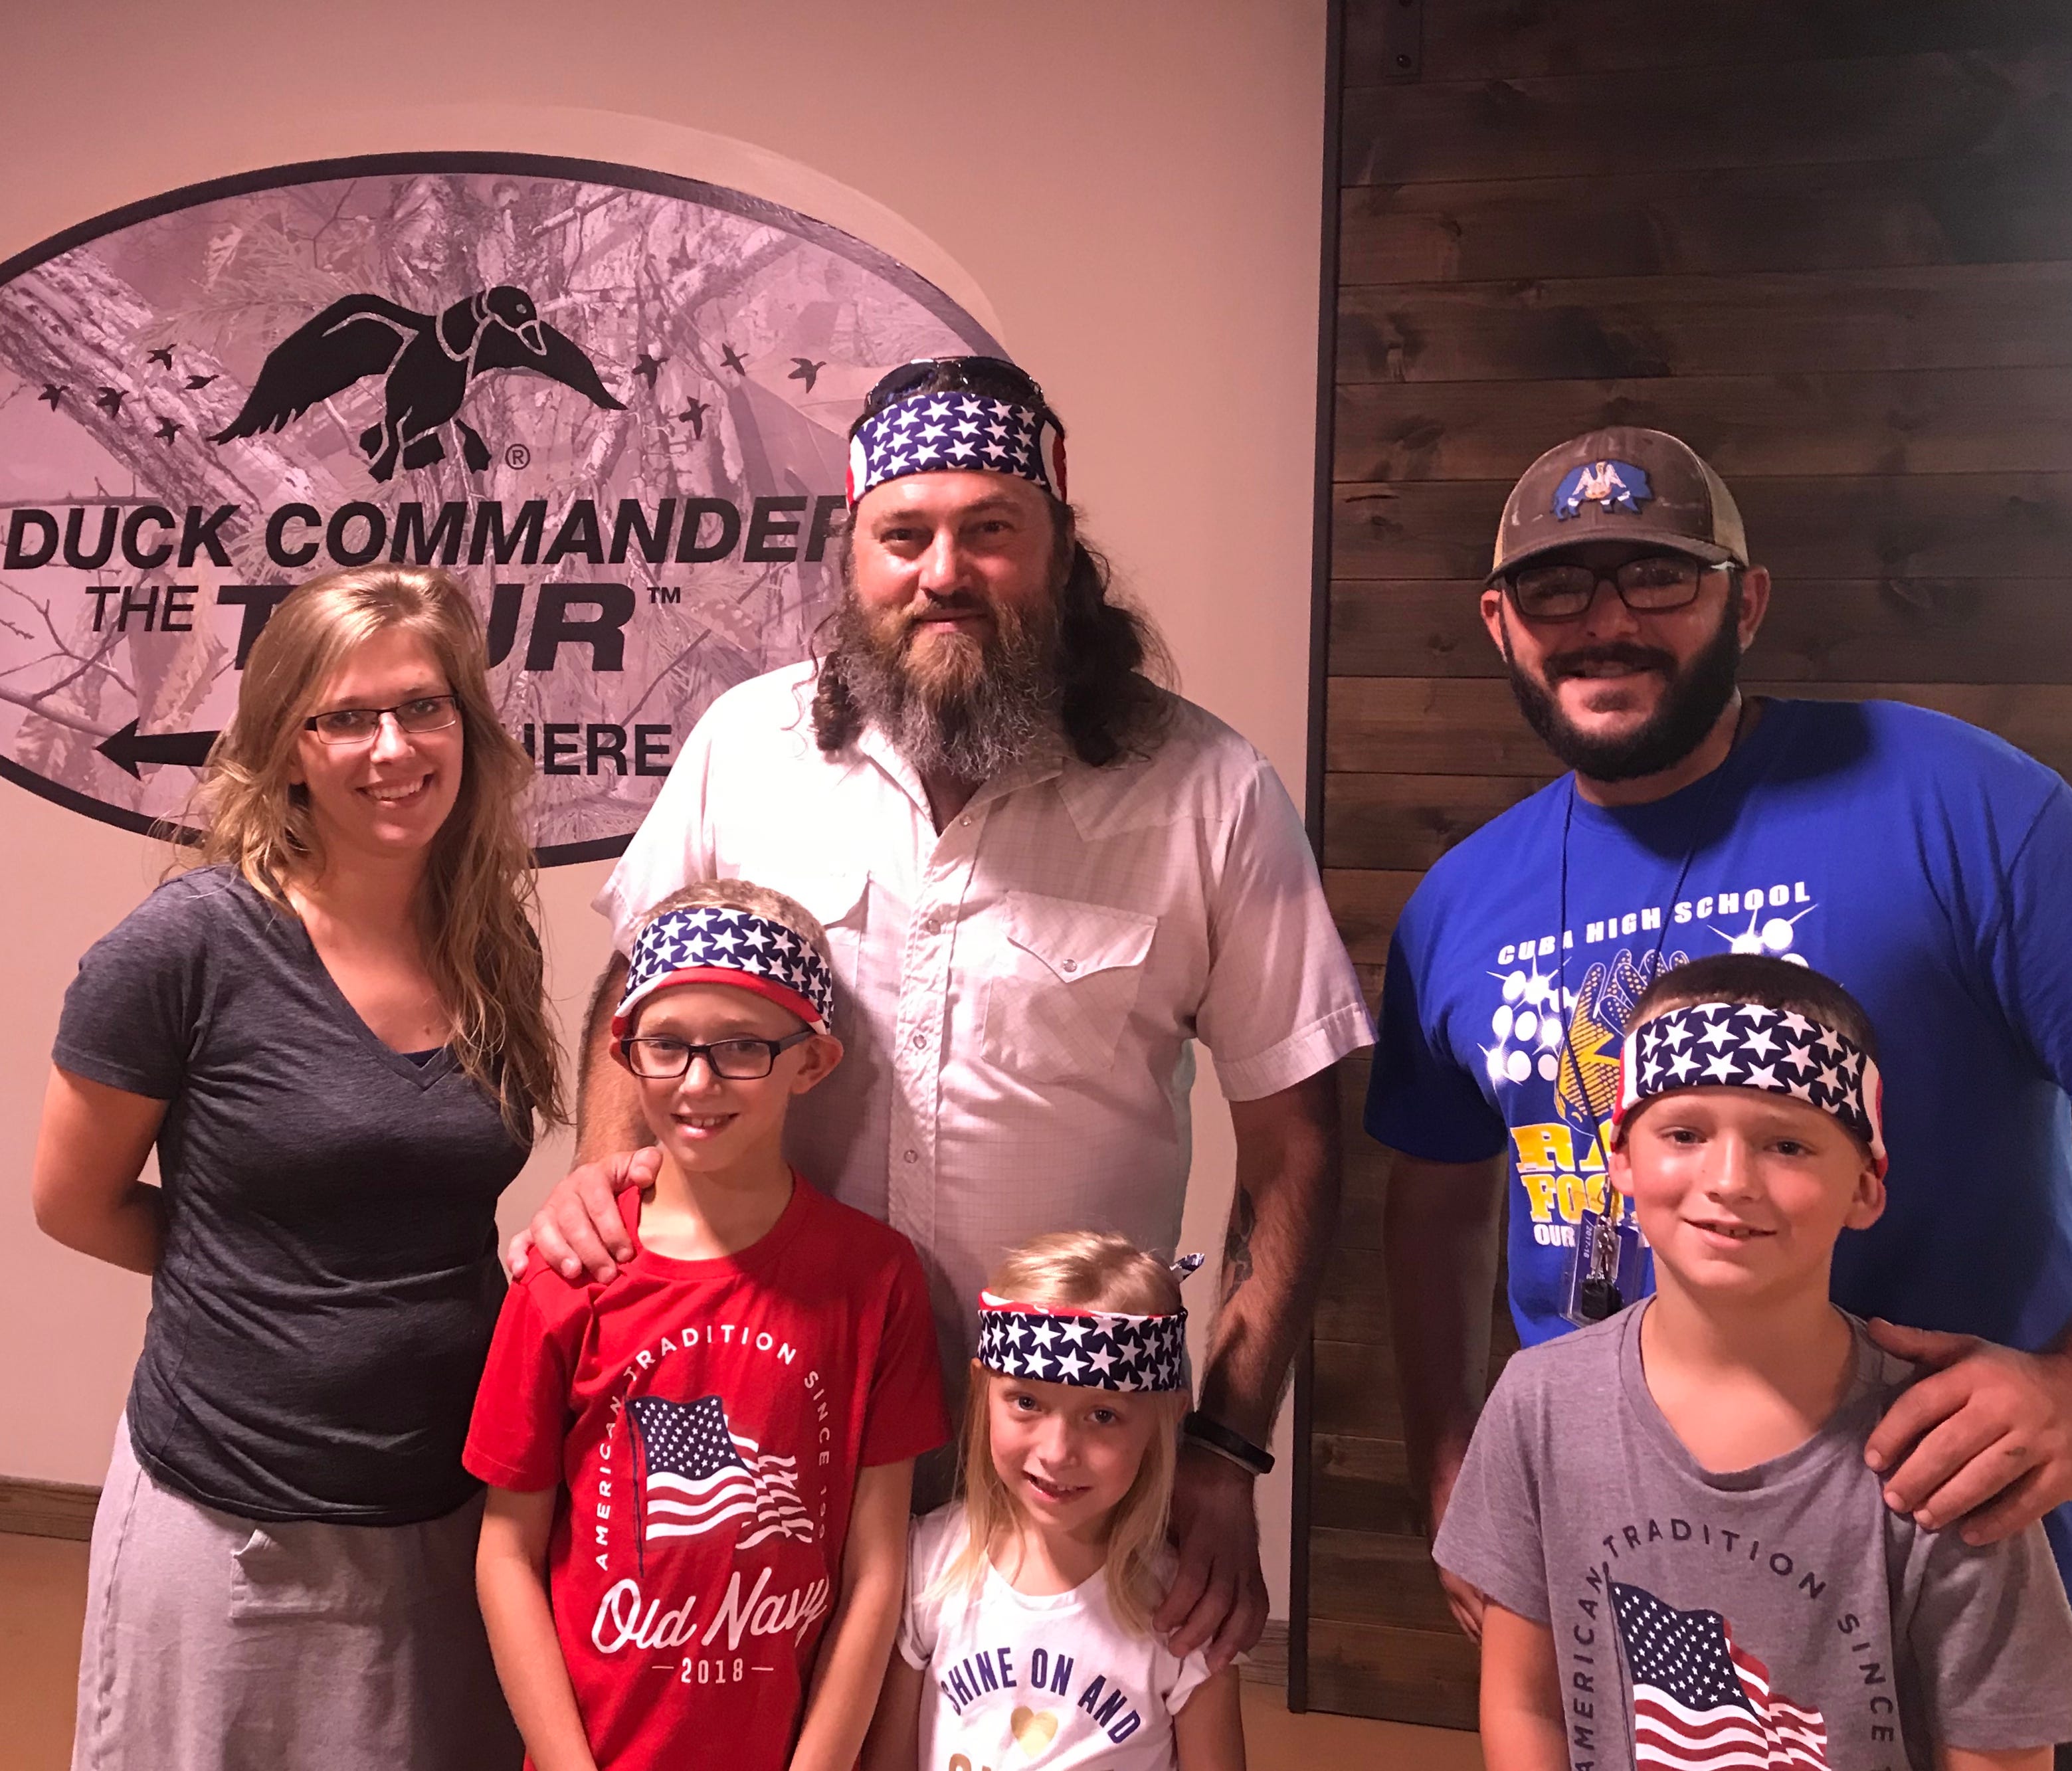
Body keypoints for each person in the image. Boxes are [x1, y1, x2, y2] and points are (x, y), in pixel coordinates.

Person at [516, 355, 1372, 1665]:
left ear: (1057, 550)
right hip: (771, 1398)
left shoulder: (1204, 788)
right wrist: (603, 1182)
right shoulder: (745, 747)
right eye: (901, 534)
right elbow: (648, 989)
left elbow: (1294, 1147)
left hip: (1068, 1433)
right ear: (849, 553)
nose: (942, 571)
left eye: (990, 530)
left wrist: (1223, 1451)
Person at [1368, 426, 2072, 1636]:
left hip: (1942, 1537)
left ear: (1743, 602)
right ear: (1497, 623)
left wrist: (2066, 1389)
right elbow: (1433, 1203)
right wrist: (1449, 1464)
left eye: (1655, 576)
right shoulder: (1457, 904)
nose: (1604, 621)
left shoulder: (1960, 804)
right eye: (1554, 585)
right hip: (1612, 1557)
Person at [33, 565, 560, 1769]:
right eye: (345, 717)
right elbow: (72, 1201)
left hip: (447, 1499)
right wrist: (253, 1273)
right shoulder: (186, 948)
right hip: (232, 1512)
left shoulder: (487, 937)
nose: (393, 747)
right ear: (284, 748)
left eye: (424, 708)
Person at [1436, 954, 2072, 1771]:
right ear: (1621, 1159)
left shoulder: (1944, 1450)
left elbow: (1999, 1749)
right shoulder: (1538, 1404)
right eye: (1684, 1133)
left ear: (1865, 1187)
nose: (1729, 1179)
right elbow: (1525, 1701)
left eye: (1786, 1143)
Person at [466, 880, 949, 1771]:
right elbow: (506, 1551)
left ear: (811, 1063)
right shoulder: (565, 1277)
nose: (697, 1082)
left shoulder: (874, 1279)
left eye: (741, 1048)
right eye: (667, 1045)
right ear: (626, 1053)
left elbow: (875, 1567)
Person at [863, 1232, 1246, 1771]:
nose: (1058, 1452)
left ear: (1166, 1416)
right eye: (1026, 1402)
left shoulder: (1184, 1611)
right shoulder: (928, 1566)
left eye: (1102, 1415)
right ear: (982, 1392)